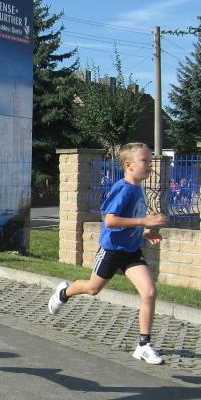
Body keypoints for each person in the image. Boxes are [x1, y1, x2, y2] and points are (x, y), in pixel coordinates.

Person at [48, 142, 169, 364]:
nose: (150, 165)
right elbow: (110, 221)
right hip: (112, 251)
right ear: (129, 165)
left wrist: (144, 231)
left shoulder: (138, 188)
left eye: (151, 161)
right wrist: (144, 220)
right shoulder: (123, 188)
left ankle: (143, 345)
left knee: (149, 292)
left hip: (131, 251)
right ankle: (63, 293)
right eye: (145, 161)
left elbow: (129, 219)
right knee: (93, 288)